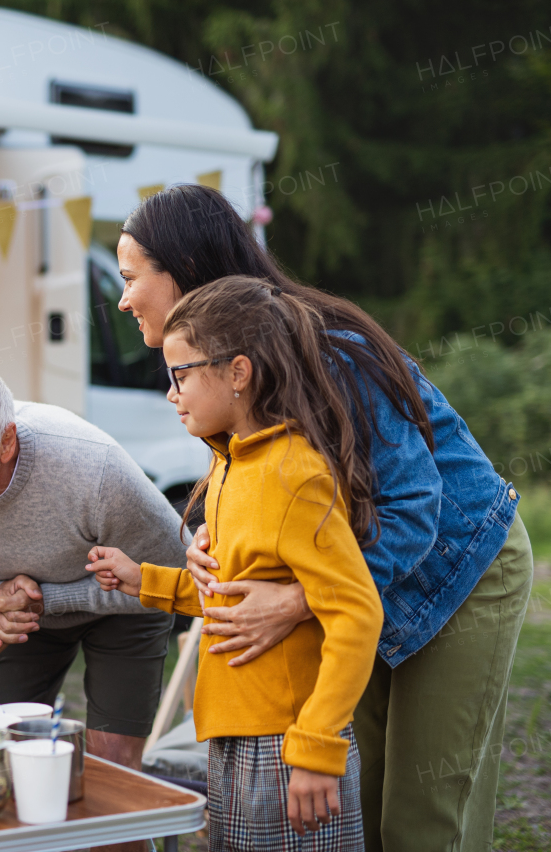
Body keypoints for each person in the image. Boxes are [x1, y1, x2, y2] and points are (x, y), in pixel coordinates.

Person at [114, 183, 533, 852]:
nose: (123, 297)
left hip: (458, 568)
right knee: (354, 808)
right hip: (352, 584)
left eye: (132, 278)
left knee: (421, 821)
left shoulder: (323, 349)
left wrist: (300, 599)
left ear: (187, 272)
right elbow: (267, 483)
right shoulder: (217, 371)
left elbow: (414, 503)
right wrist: (211, 538)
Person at [89, 277, 382, 849]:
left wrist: (318, 748)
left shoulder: (294, 474)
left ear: (238, 373)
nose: (171, 394)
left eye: (181, 375)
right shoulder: (229, 464)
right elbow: (234, 594)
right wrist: (142, 580)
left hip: (286, 745)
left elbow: (356, 613)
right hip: (232, 737)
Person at [0, 358, 189, 773]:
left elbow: (176, 574)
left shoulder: (96, 471)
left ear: (6, 442)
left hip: (124, 608)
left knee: (111, 766)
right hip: (20, 618)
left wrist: (45, 600)